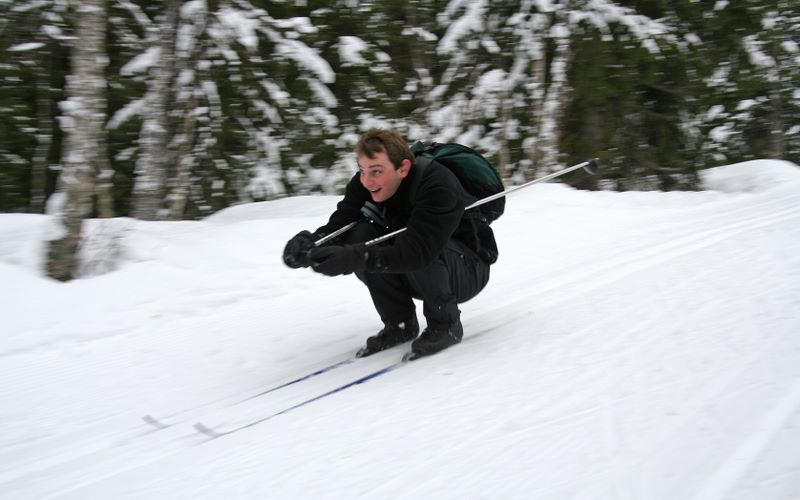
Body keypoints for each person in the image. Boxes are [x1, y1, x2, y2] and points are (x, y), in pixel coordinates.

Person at [282, 129, 498, 359]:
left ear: (403, 168)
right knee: (358, 234)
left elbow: (417, 252)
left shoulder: (437, 184)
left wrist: (357, 257)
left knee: (412, 242)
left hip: (467, 270)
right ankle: (400, 324)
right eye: (362, 170)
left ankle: (445, 324)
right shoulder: (365, 184)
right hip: (416, 267)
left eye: (376, 171)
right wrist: (311, 243)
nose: (367, 180)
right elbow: (341, 225)